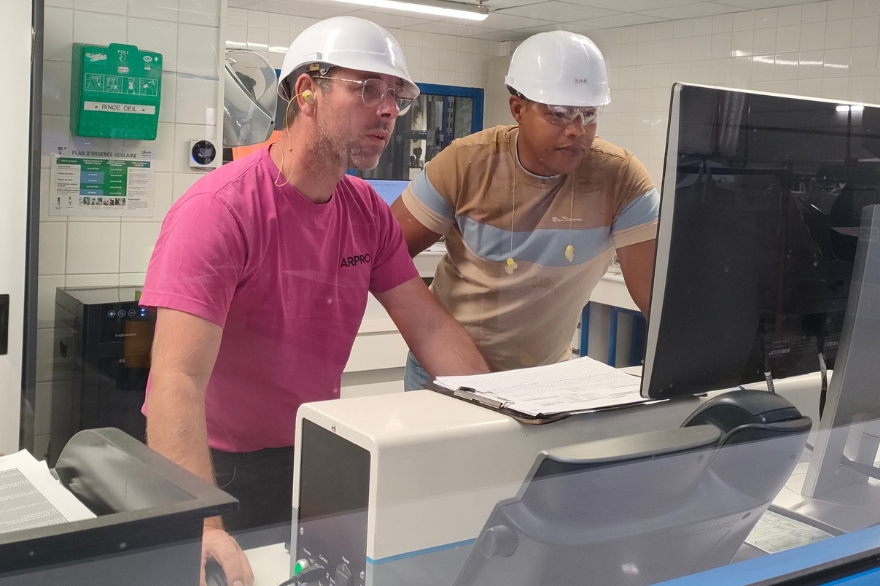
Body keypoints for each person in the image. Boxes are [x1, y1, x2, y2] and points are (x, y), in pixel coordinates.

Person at [139, 16, 488, 586]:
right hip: (211, 467)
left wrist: (498, 413)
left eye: (395, 95)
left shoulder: (366, 211)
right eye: (366, 88)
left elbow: (427, 327)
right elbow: (176, 378)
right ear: (307, 91)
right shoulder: (221, 210)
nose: (387, 110)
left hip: (313, 450)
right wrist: (202, 523)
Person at [391, 31, 659, 391]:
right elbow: (382, 255)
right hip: (445, 371)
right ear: (518, 109)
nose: (577, 130)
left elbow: (658, 300)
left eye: (589, 114)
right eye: (560, 113)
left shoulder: (620, 177)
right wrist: (433, 335)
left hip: (542, 379)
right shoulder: (466, 163)